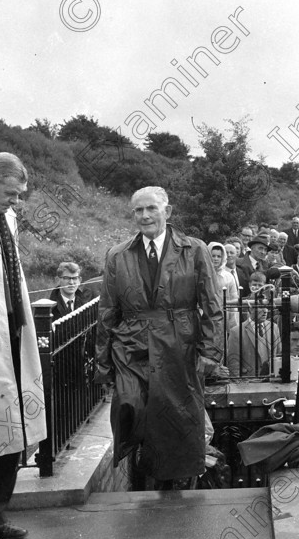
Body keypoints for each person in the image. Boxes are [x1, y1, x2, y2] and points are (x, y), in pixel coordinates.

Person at [95, 186, 223, 487]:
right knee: (130, 407)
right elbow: (107, 311)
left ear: (167, 211)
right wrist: (104, 364)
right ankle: (143, 473)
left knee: (177, 417)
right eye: (138, 210)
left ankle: (176, 484)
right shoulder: (118, 255)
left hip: (179, 346)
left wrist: (210, 351)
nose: (145, 216)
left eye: (151, 208)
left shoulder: (194, 250)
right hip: (131, 347)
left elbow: (212, 306)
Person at [0, 153, 45, 539]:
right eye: (10, 193)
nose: (16, 202)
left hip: (10, 335)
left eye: (19, 195)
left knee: (8, 428)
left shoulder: (6, 220)